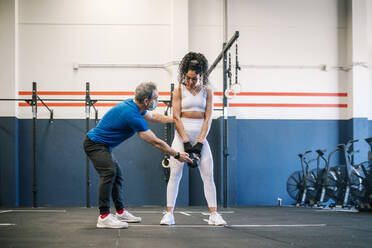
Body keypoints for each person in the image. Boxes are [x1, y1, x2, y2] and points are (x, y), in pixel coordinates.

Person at [83, 82, 192, 229]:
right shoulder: (133, 115)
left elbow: (154, 116)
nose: (157, 101)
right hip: (94, 144)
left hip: (103, 145)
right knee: (109, 172)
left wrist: (175, 119)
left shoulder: (135, 106)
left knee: (117, 175)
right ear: (147, 101)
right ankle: (104, 216)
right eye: (155, 98)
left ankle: (120, 212)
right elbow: (156, 142)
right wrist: (177, 154)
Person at [160, 52, 227, 226]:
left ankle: (214, 215)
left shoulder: (207, 92)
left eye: (194, 78)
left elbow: (208, 118)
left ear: (201, 76)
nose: (191, 81)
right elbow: (176, 117)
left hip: (200, 138)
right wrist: (186, 142)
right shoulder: (178, 91)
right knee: (175, 174)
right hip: (181, 138)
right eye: (188, 78)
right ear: (185, 75)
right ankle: (169, 214)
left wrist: (199, 142)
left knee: (208, 175)